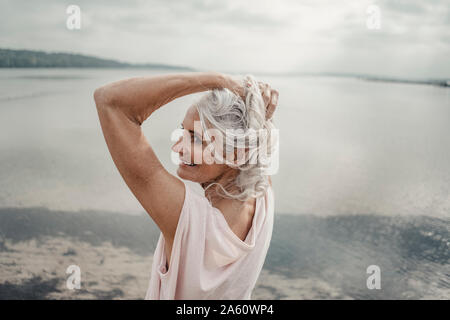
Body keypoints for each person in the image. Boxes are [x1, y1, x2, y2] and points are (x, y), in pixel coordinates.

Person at [93, 72, 279, 299]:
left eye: (196, 138)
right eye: (183, 131)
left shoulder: (186, 219)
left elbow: (110, 100)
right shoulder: (263, 195)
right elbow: (255, 138)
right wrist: (256, 104)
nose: (178, 147)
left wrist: (219, 80)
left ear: (237, 153)